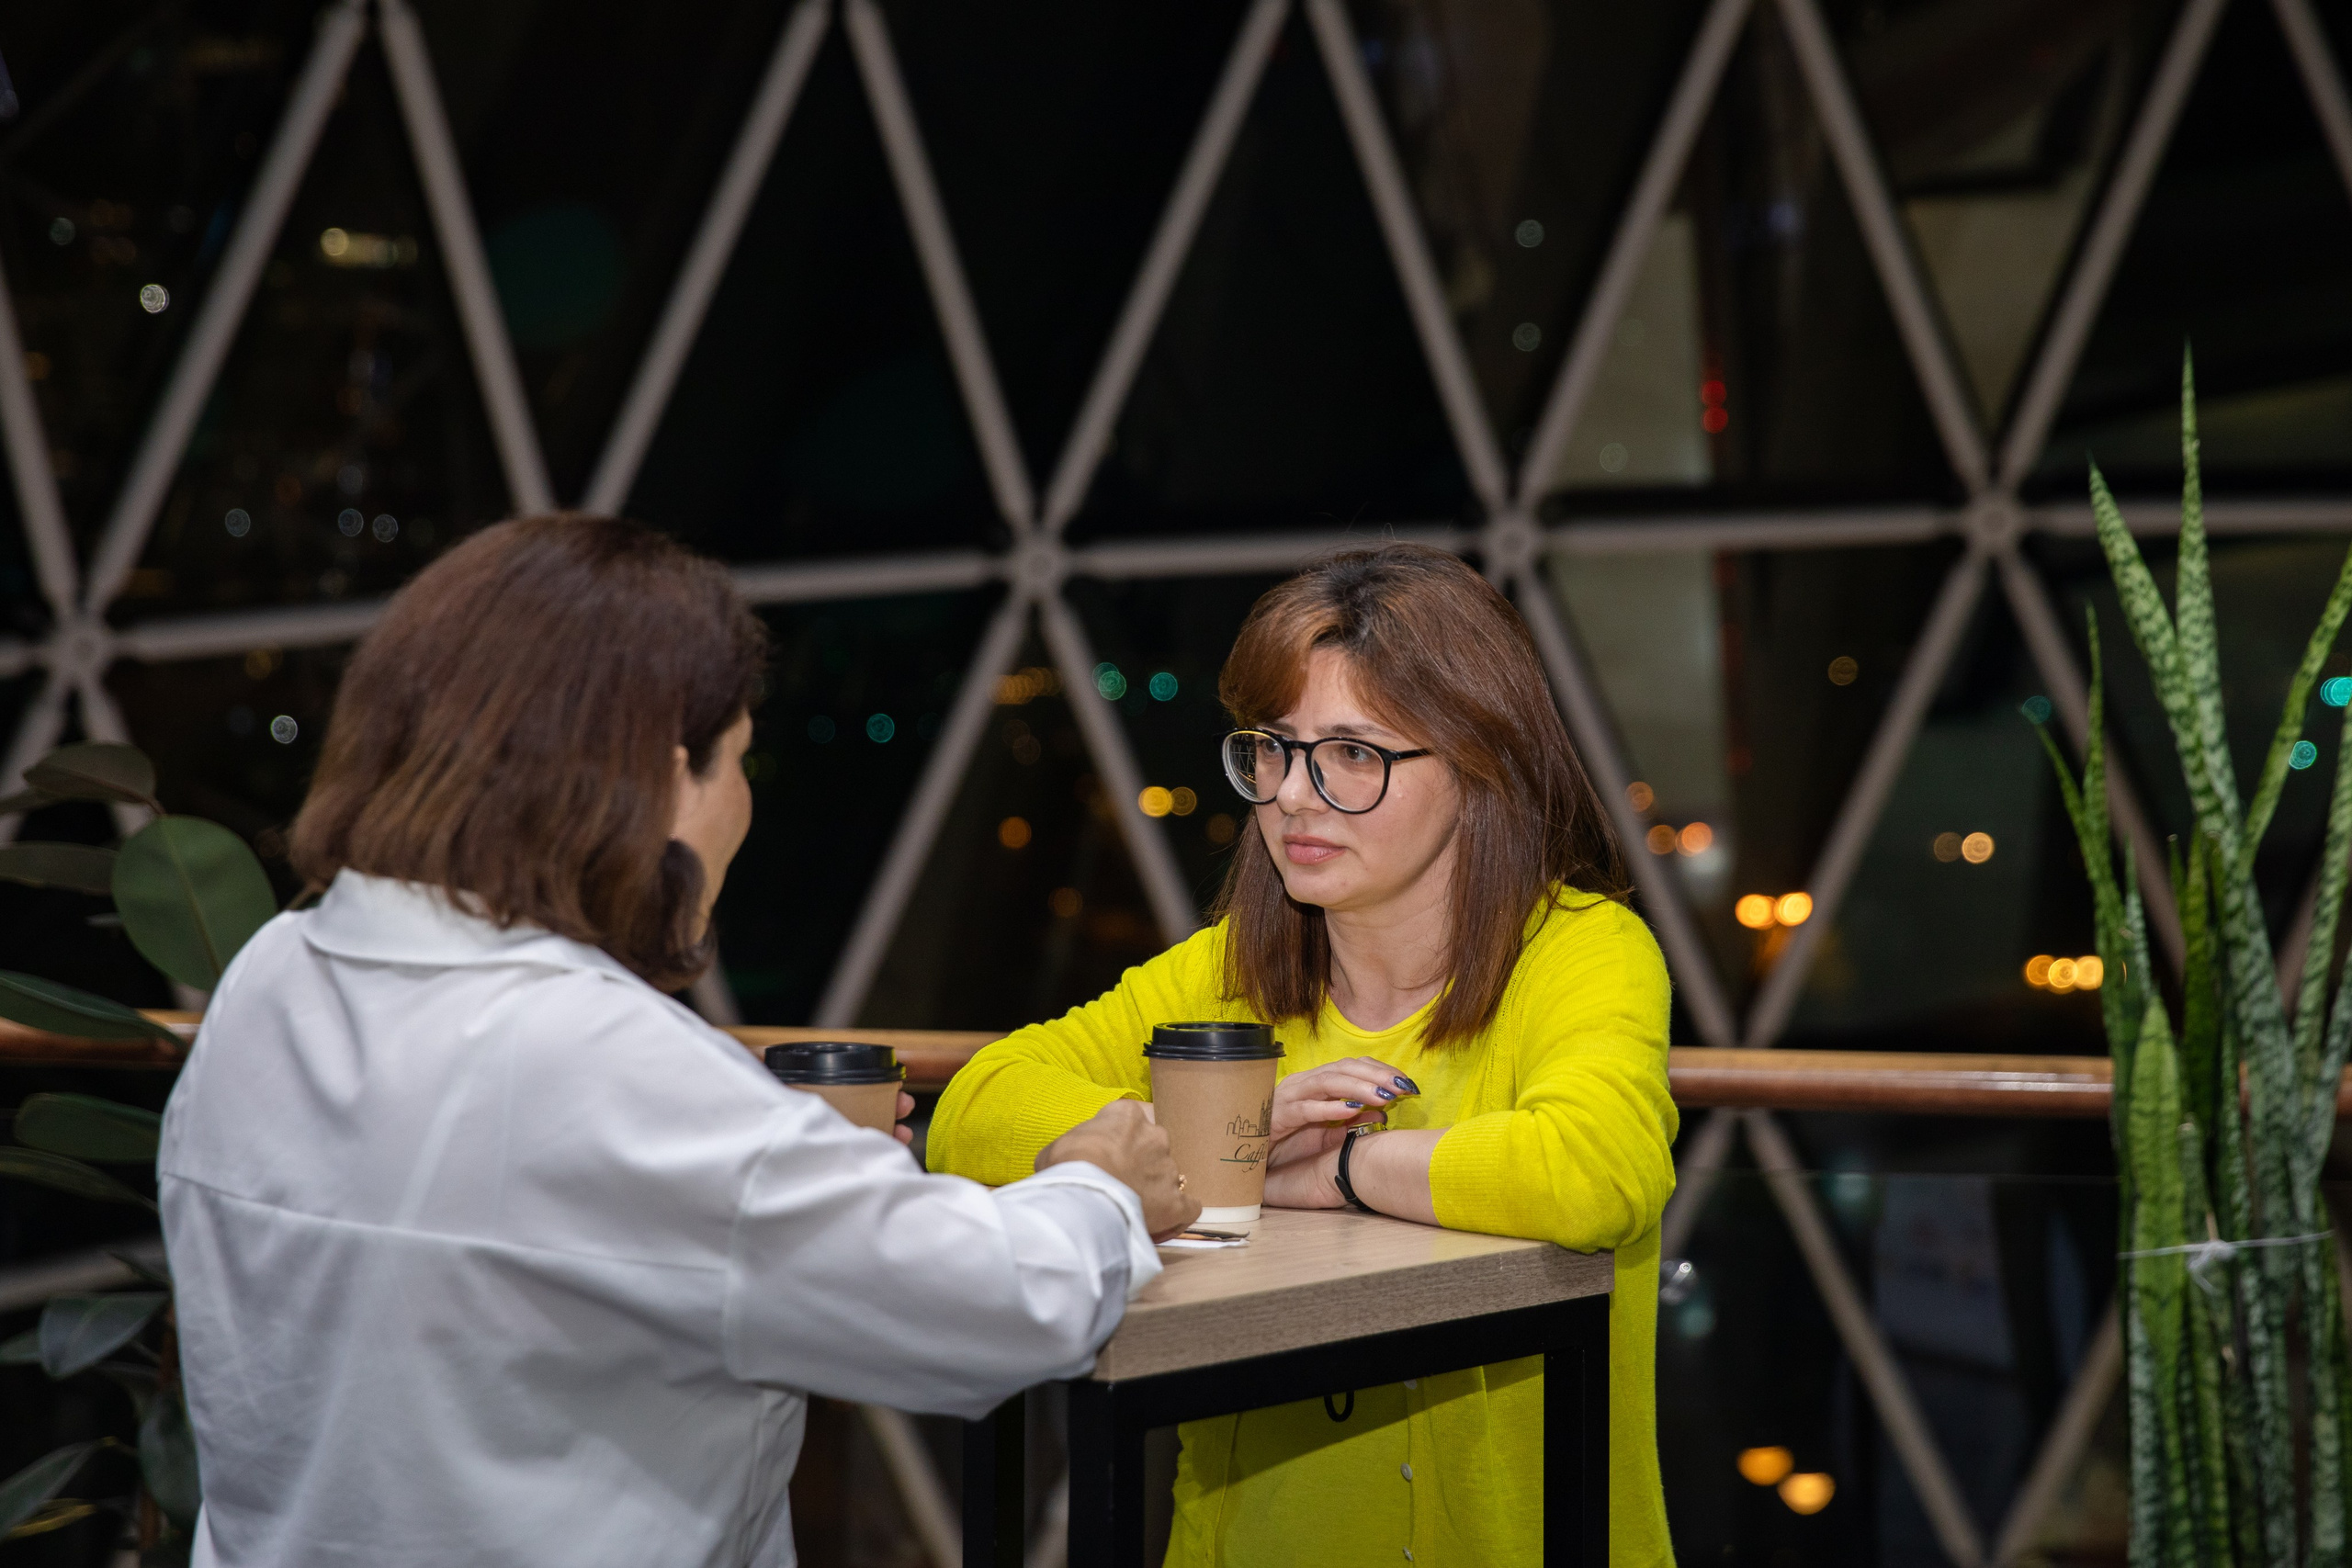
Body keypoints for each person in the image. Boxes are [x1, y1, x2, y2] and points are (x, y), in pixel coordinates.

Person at [158, 515, 1197, 1568]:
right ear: (664, 778)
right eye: (737, 758)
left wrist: (786, 1174)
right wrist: (1100, 1190)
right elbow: (993, 1310)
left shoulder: (271, 980)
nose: (743, 802)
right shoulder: (601, 1058)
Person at [928, 543, 1678, 1567]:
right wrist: (1224, 1143)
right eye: (1275, 749)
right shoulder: (1229, 970)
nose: (1293, 795)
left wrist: (1330, 1171)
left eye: (1355, 754)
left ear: (1478, 763)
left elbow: (1593, 1172)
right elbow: (973, 1112)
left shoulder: (1581, 951)